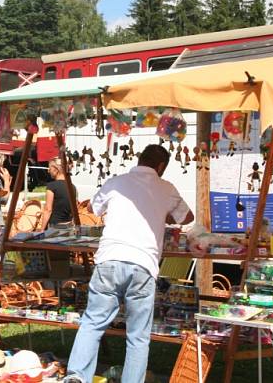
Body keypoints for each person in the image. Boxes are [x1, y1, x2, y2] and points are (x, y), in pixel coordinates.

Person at [65, 145, 194, 383]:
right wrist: (159, 211)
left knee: (92, 323)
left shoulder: (116, 182)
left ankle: (76, 377)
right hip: (143, 264)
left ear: (139, 159)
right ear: (161, 166)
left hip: (110, 258)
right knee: (138, 336)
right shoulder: (166, 188)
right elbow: (187, 217)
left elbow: (94, 207)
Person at [40, 157, 75, 230]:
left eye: (50, 168)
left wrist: (41, 229)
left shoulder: (51, 186)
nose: (48, 171)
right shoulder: (72, 187)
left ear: (56, 169)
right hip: (68, 226)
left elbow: (48, 210)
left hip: (54, 227)